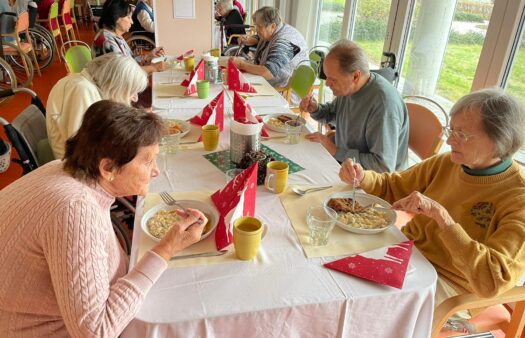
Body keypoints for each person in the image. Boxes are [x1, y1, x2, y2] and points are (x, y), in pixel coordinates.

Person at [0, 100, 208, 337]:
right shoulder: (74, 209)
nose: (156, 171)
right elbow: (96, 330)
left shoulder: (62, 169)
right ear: (107, 168)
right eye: (147, 160)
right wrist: (165, 249)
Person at [339, 88, 525, 307]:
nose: (449, 141)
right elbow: (393, 186)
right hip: (406, 255)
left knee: (362, 307)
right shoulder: (448, 162)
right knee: (335, 278)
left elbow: (491, 281)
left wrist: (442, 217)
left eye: (461, 134)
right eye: (451, 130)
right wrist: (363, 177)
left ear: (500, 140)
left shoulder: (517, 196)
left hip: (449, 286)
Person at [299, 39, 409, 172]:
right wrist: (316, 109)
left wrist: (335, 150)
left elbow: (382, 166)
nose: (327, 84)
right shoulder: (350, 88)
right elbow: (333, 114)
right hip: (345, 166)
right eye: (327, 77)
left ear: (356, 76)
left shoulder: (383, 105)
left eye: (333, 79)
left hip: (376, 183)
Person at [46, 53, 148, 159]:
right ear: (116, 85)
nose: (135, 98)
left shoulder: (88, 85)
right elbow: (85, 148)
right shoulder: (82, 90)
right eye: (132, 92)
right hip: (75, 166)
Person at [231, 6, 308, 88]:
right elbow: (261, 37)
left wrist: (241, 64)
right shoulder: (277, 30)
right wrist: (249, 40)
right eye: (256, 26)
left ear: (272, 26)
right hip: (267, 82)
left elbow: (268, 72)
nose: (257, 29)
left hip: (282, 90)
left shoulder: (285, 41)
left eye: (259, 26)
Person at [93, 0, 165, 73]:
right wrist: (153, 68)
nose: (132, 22)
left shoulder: (116, 37)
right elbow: (125, 72)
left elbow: (130, 62)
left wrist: (149, 55)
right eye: (128, 17)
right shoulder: (107, 41)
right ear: (117, 17)